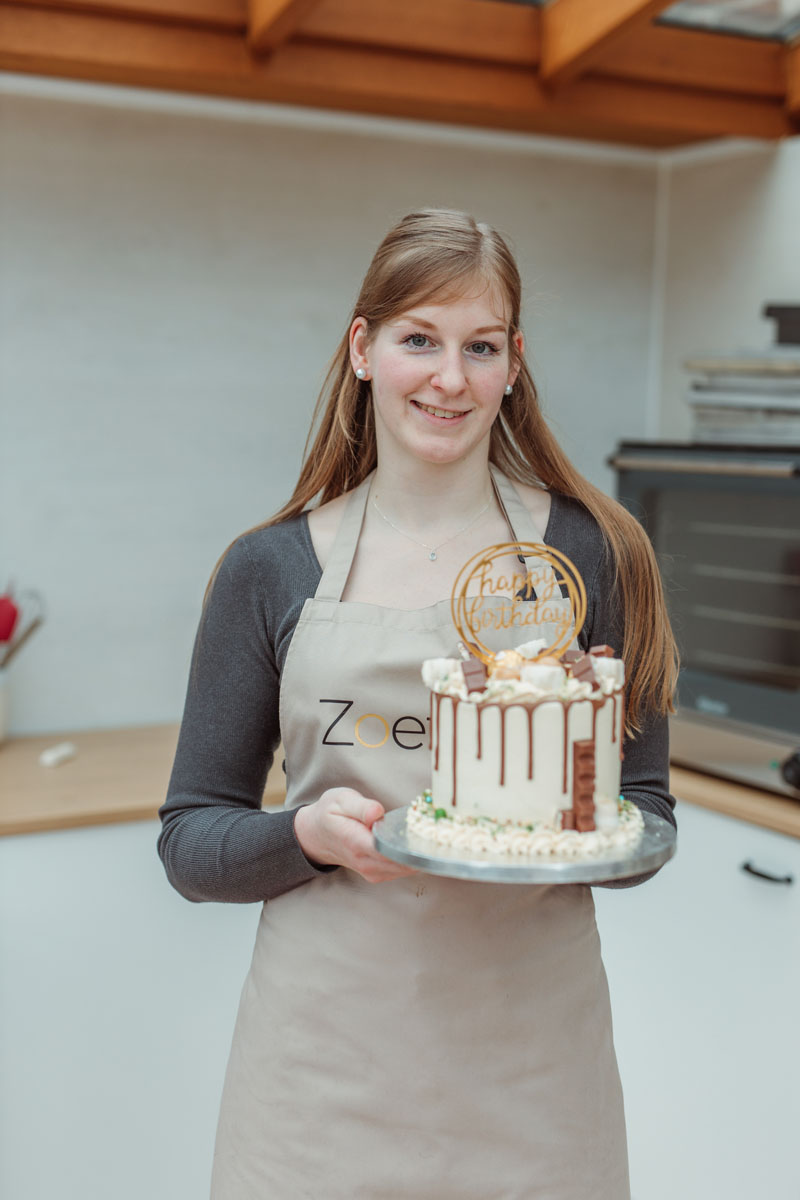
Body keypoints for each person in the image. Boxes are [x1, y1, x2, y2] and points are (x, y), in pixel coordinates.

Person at [158, 208, 678, 1199]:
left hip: (533, 1075)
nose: (449, 378)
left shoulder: (596, 554)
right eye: (418, 340)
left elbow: (645, 816)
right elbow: (191, 844)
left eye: (479, 346)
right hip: (321, 1080)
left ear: (513, 363)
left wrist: (568, 782)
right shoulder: (267, 569)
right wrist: (305, 836)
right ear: (362, 349)